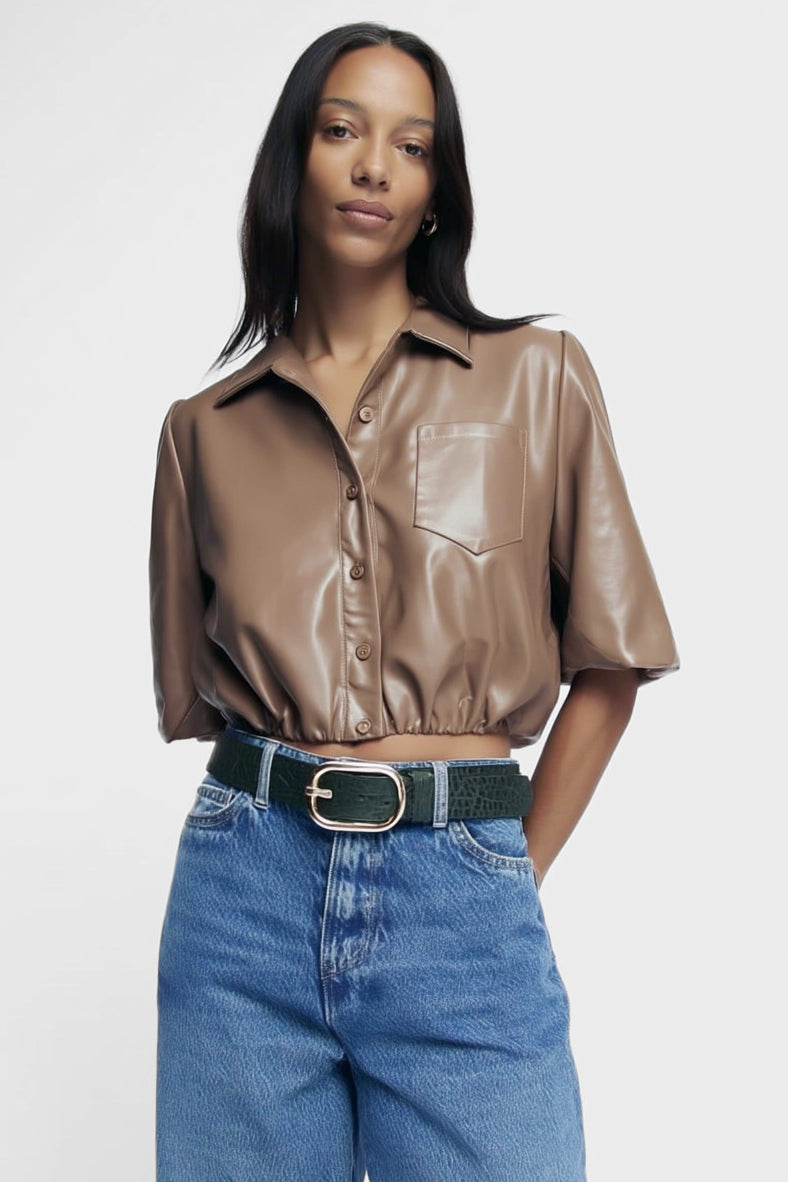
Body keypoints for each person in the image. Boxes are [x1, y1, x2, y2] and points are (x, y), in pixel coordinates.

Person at [149, 22, 679, 1182]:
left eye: (412, 143)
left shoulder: (537, 377)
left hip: (462, 892)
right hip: (242, 896)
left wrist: (494, 877)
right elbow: (199, 702)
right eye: (342, 130)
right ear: (296, 160)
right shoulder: (204, 433)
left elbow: (613, 662)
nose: (374, 165)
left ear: (439, 188)